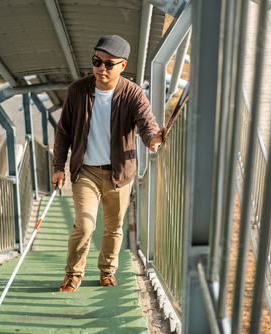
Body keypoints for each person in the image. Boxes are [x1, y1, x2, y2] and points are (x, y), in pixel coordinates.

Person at [52, 35, 163, 291]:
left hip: (119, 174)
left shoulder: (133, 93)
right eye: (97, 62)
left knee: (113, 228)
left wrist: (153, 139)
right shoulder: (78, 90)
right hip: (86, 172)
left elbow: (147, 124)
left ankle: (107, 271)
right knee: (85, 224)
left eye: (109, 64)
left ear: (122, 66)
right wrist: (58, 166)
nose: (102, 68)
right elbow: (64, 131)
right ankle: (73, 273)